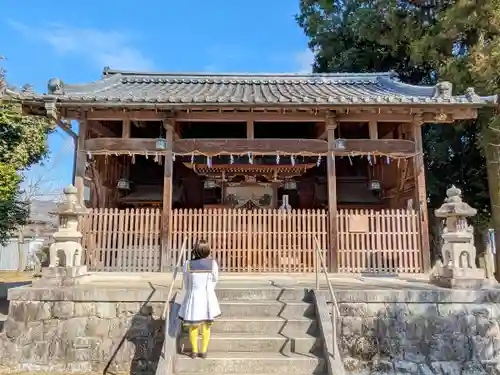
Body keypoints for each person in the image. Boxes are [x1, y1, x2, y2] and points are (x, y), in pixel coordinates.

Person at [178, 239, 221, 359]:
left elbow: (186, 282)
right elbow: (215, 279)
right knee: (206, 326)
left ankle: (194, 351)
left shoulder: (188, 264)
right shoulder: (212, 264)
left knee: (193, 325)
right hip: (207, 297)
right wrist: (209, 289)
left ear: (194, 250)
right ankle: (203, 351)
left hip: (194, 297)